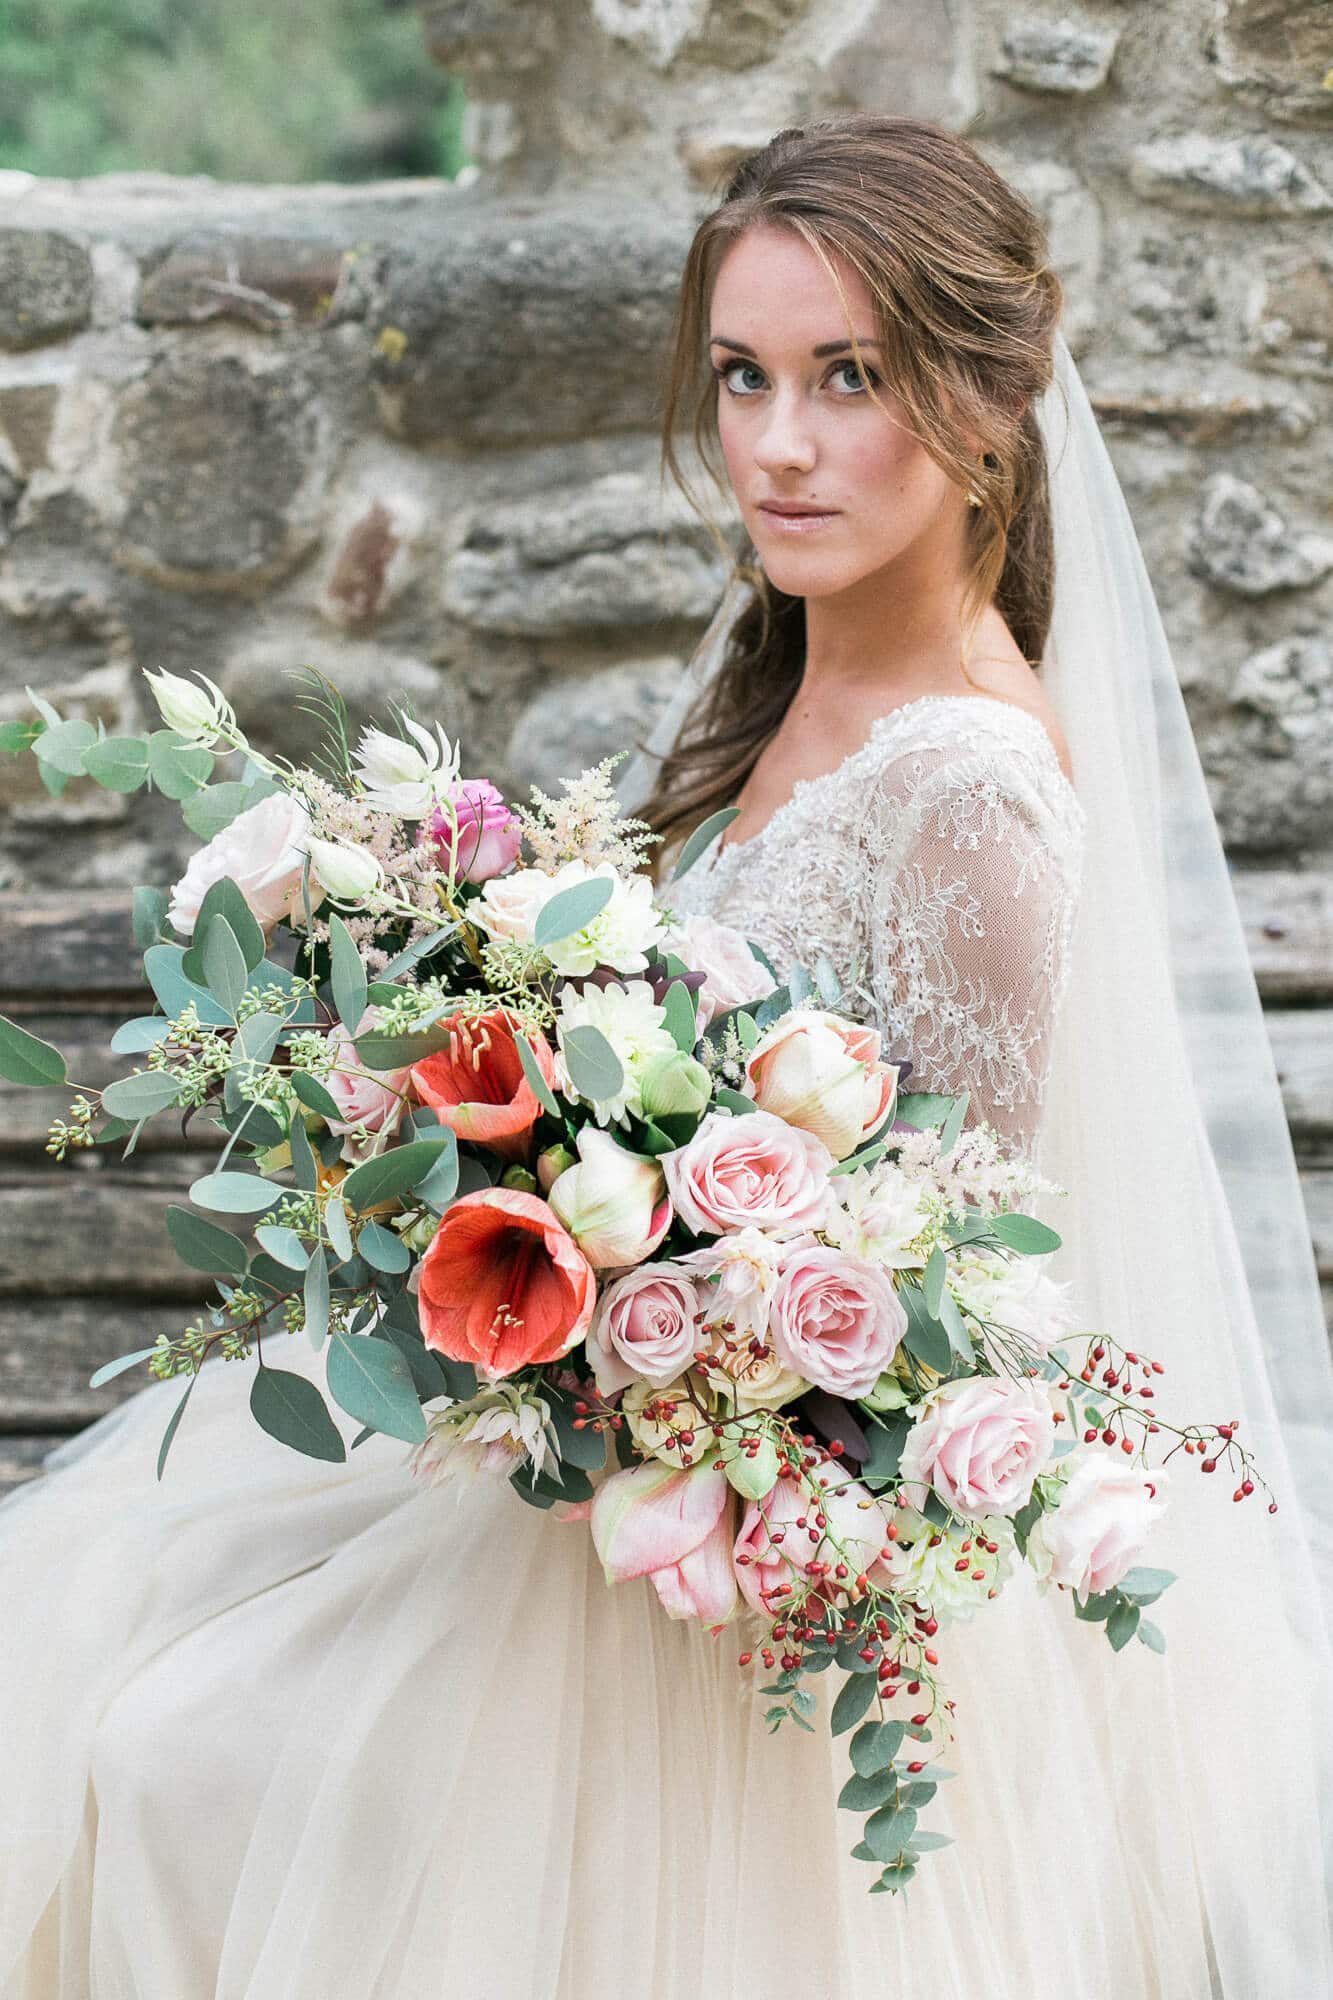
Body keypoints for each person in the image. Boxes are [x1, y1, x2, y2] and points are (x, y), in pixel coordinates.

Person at [1, 114, 1329, 2000]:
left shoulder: (969, 792)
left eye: (846, 379)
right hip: (589, 1425)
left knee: (189, 1760)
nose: (777, 447)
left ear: (980, 404)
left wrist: (650, 1284)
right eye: (742, 377)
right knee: (103, 1677)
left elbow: (966, 1281)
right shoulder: (793, 673)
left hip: (745, 1527)